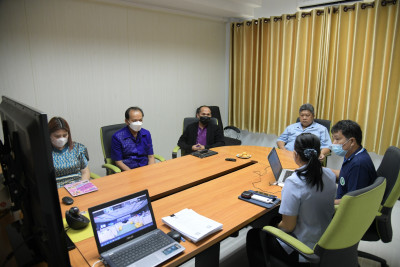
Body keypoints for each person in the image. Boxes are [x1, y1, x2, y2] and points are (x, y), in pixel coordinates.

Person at [247, 133, 336, 266]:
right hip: (324, 239)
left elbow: (288, 227)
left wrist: (273, 227)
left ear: (295, 154)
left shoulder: (294, 182)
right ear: (318, 154)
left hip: (303, 248)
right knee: (274, 219)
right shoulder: (329, 174)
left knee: (254, 234)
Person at [330, 120, 377, 205]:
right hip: (341, 195)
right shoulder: (353, 154)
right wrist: (324, 170)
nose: (334, 143)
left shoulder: (358, 164)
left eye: (337, 139)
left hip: (344, 207)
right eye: (333, 139)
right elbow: (346, 174)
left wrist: (326, 203)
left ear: (352, 141)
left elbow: (352, 200)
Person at [48, 117, 90, 188]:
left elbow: (85, 172)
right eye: (57, 136)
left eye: (65, 135)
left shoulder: (78, 149)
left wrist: (81, 186)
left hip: (78, 186)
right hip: (57, 189)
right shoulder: (45, 154)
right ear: (49, 135)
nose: (62, 139)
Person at [111, 106, 155, 171]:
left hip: (145, 168)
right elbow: (118, 162)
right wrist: (132, 174)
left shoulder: (146, 133)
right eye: (134, 120)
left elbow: (151, 157)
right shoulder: (117, 137)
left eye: (140, 120)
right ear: (127, 121)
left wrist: (150, 170)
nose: (138, 123)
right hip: (128, 170)